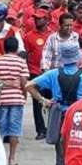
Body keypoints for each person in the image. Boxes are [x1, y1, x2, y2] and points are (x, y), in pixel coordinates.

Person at [26, 42, 82, 165]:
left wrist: (43, 101)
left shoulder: (53, 74)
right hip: (77, 120)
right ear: (77, 58)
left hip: (59, 118)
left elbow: (29, 85)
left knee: (61, 164)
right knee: (78, 162)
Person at [0, 38, 28, 165]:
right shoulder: (21, 62)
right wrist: (24, 96)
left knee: (1, 131)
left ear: (4, 47)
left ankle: (0, 158)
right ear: (16, 49)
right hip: (16, 99)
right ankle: (12, 158)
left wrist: (4, 83)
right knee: (15, 130)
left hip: (1, 99)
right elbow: (24, 82)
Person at [24, 9, 51, 139]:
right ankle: (40, 130)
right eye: (35, 18)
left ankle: (52, 127)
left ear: (46, 20)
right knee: (37, 102)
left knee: (53, 100)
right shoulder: (28, 36)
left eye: (40, 18)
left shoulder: (53, 35)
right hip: (35, 72)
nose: (37, 20)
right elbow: (26, 55)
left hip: (50, 73)